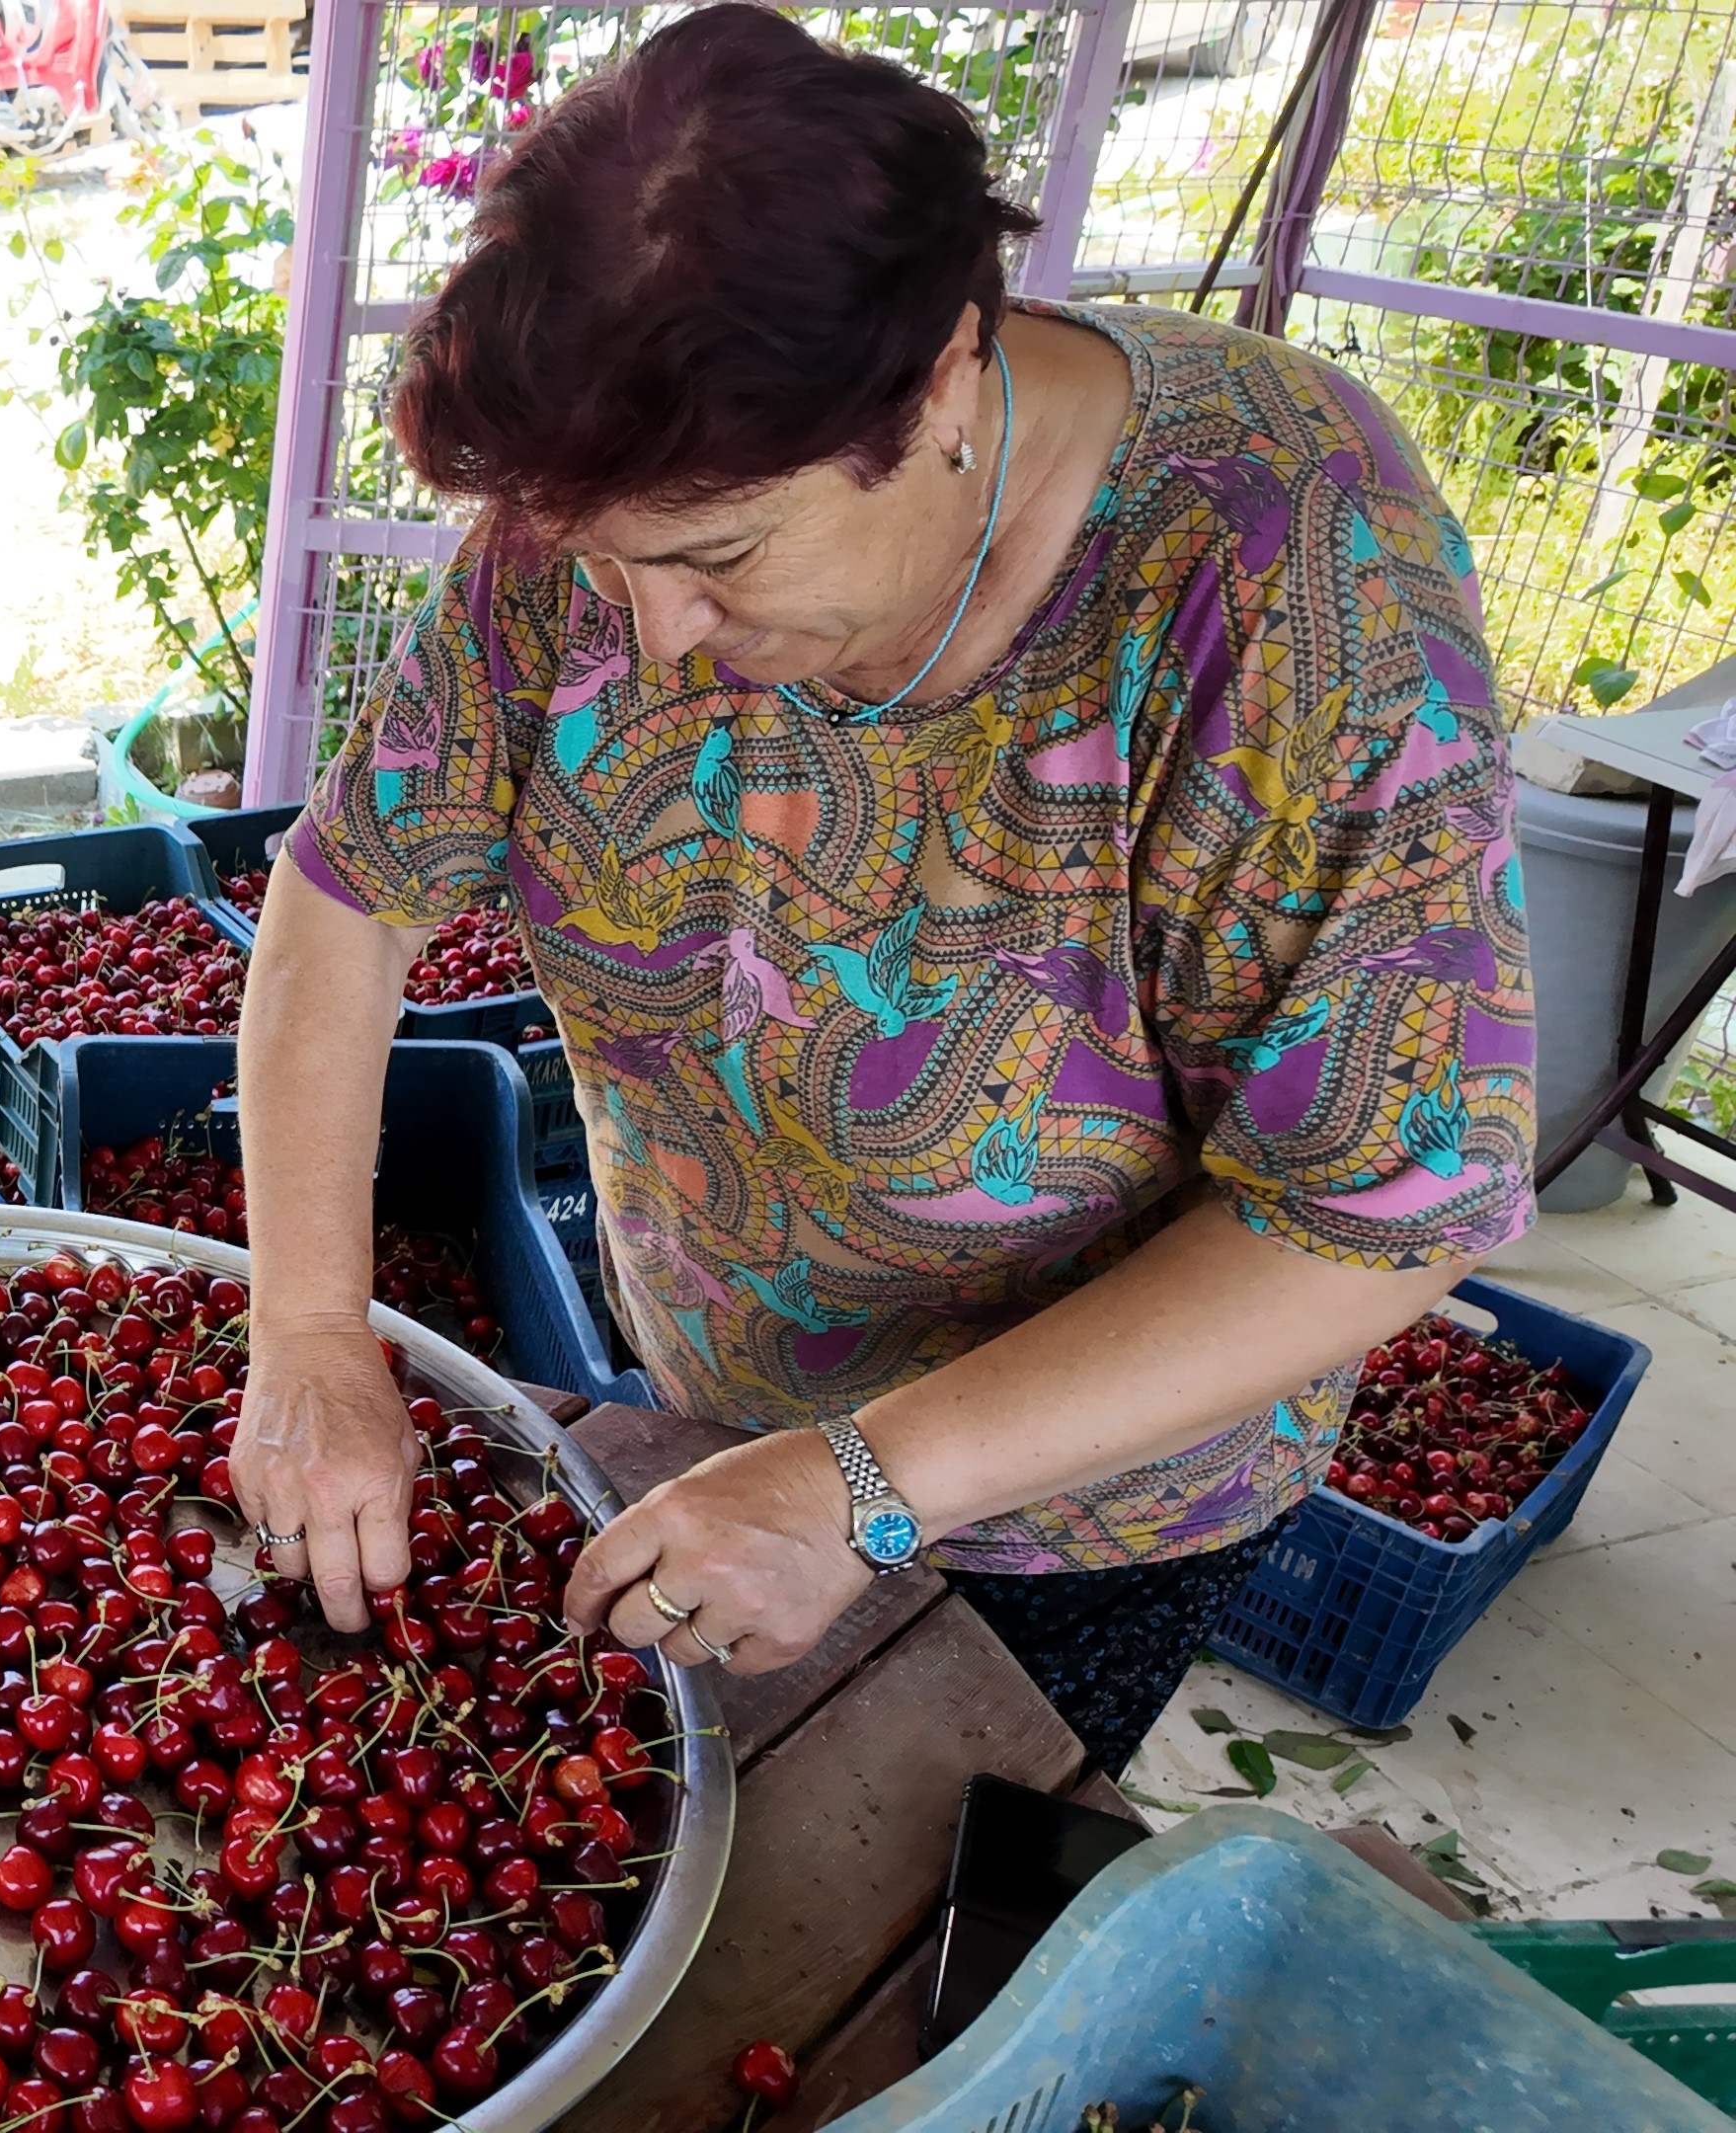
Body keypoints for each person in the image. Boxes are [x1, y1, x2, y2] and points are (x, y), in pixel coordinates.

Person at [231, 5, 1531, 1772]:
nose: (654, 636)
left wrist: (865, 1486)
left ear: (939, 386)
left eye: (718, 561)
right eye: (610, 567)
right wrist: (309, 1329)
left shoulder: (1291, 575)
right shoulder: (624, 497)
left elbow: (1381, 1203)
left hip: (1069, 1506)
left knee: (915, 1894)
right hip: (703, 1391)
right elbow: (352, 891)